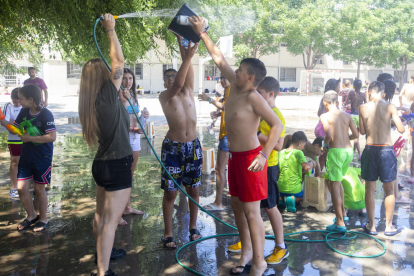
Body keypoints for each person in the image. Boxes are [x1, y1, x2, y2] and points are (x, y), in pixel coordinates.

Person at [190, 16, 283, 276]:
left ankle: (260, 263)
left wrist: (265, 155)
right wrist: (202, 33)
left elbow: (276, 125)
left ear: (250, 78)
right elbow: (219, 58)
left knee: (253, 213)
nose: (235, 72)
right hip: (235, 157)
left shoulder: (253, 97)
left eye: (240, 71)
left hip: (252, 159)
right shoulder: (236, 86)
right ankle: (247, 254)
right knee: (238, 208)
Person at [79, 14, 130, 276]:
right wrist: (111, 30)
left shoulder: (90, 103)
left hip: (101, 165)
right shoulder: (108, 92)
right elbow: (119, 61)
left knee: (100, 217)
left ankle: (104, 254)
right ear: (103, 76)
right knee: (110, 222)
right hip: (116, 164)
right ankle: (102, 271)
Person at [227, 76, 289, 265]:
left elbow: (279, 146)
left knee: (271, 208)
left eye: (260, 94)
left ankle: (281, 246)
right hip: (252, 166)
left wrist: (255, 134)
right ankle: (248, 243)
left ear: (271, 94)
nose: (256, 97)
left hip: (268, 166)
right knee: (249, 208)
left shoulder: (275, 115)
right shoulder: (260, 110)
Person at [159, 32, 201, 250]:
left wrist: (183, 43)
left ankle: (193, 227)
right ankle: (168, 233)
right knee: (171, 192)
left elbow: (187, 73)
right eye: (167, 78)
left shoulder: (189, 93)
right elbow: (177, 84)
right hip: (172, 149)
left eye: (173, 76)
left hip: (193, 147)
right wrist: (186, 56)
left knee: (193, 190)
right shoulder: (165, 96)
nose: (170, 80)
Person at [359, 81, 405, 236]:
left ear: (369, 92)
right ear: (384, 94)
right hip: (386, 150)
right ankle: (388, 226)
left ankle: (371, 226)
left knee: (369, 190)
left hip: (370, 149)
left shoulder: (362, 108)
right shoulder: (390, 107)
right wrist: (392, 120)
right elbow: (401, 129)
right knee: (389, 190)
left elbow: (362, 131)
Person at [8, 84, 56, 234]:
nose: (19, 102)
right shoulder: (24, 111)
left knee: (39, 189)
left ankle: (44, 219)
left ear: (30, 99)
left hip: (42, 158)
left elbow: (52, 137)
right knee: (21, 188)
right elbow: (16, 128)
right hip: (26, 156)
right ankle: (32, 215)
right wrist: (5, 123)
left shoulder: (45, 114)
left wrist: (30, 138)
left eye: (21, 99)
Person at [320, 91, 359, 232]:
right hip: (348, 152)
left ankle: (340, 223)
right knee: (338, 181)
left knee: (334, 185)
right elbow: (356, 134)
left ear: (325, 103)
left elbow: (328, 135)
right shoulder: (347, 116)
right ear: (337, 102)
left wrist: (324, 145)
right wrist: (345, 137)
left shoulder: (324, 116)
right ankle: (342, 213)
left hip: (336, 152)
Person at [117, 68, 150, 226]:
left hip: (135, 138)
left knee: (130, 175)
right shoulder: (119, 96)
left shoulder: (133, 97)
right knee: (121, 176)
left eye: (130, 78)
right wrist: (132, 129)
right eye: (124, 78)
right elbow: (118, 121)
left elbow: (137, 122)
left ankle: (127, 207)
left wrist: (143, 117)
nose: (128, 81)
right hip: (124, 138)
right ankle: (116, 213)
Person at [198, 73, 231, 211]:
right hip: (227, 134)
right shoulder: (229, 91)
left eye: (225, 77)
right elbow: (229, 109)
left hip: (227, 135)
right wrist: (219, 114)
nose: (222, 81)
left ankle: (218, 202)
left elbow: (226, 107)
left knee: (219, 169)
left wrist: (209, 99)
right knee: (225, 169)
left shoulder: (232, 90)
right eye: (221, 78)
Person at [278, 131, 315, 213]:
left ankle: (281, 198)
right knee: (302, 197)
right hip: (294, 189)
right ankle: (292, 199)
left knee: (284, 193)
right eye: (303, 145)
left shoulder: (281, 152)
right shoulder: (298, 153)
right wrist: (312, 163)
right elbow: (307, 168)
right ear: (299, 143)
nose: (303, 148)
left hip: (280, 187)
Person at [0, 88, 23, 198]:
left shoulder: (26, 105)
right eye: (15, 101)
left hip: (27, 139)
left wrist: (13, 125)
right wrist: (18, 129)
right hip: (14, 139)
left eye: (19, 101)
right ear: (11, 99)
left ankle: (29, 186)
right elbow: (5, 124)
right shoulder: (8, 106)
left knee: (29, 161)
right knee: (15, 162)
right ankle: (14, 187)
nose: (17, 104)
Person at [316, 78, 341, 171]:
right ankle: (325, 177)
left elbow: (318, 113)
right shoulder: (332, 100)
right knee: (325, 154)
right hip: (326, 130)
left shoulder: (324, 98)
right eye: (339, 86)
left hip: (321, 128)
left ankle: (320, 175)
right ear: (334, 87)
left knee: (323, 155)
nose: (340, 88)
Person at [344, 79, 366, 160]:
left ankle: (354, 153)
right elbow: (366, 105)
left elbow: (345, 103)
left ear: (353, 86)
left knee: (355, 136)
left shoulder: (351, 93)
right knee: (357, 137)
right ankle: (359, 154)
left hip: (352, 116)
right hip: (359, 116)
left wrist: (350, 101)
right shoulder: (363, 95)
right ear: (360, 86)